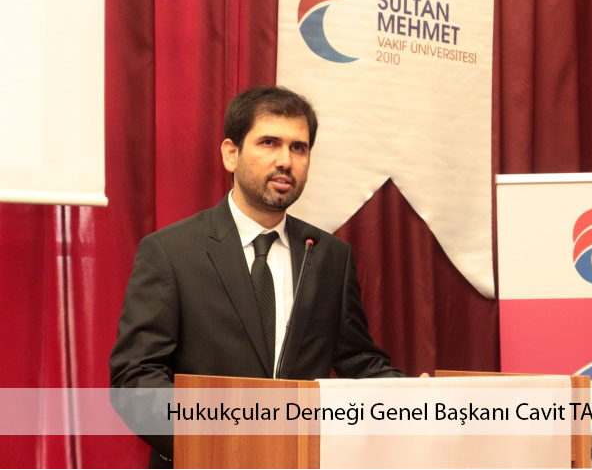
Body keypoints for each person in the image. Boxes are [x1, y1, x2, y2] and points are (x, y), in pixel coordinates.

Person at [109, 86, 402, 468]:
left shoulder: (329, 255)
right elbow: (136, 379)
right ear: (231, 154)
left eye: (299, 148)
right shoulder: (171, 251)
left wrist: (416, 397)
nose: (286, 161)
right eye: (269, 143)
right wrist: (221, 440)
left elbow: (358, 360)